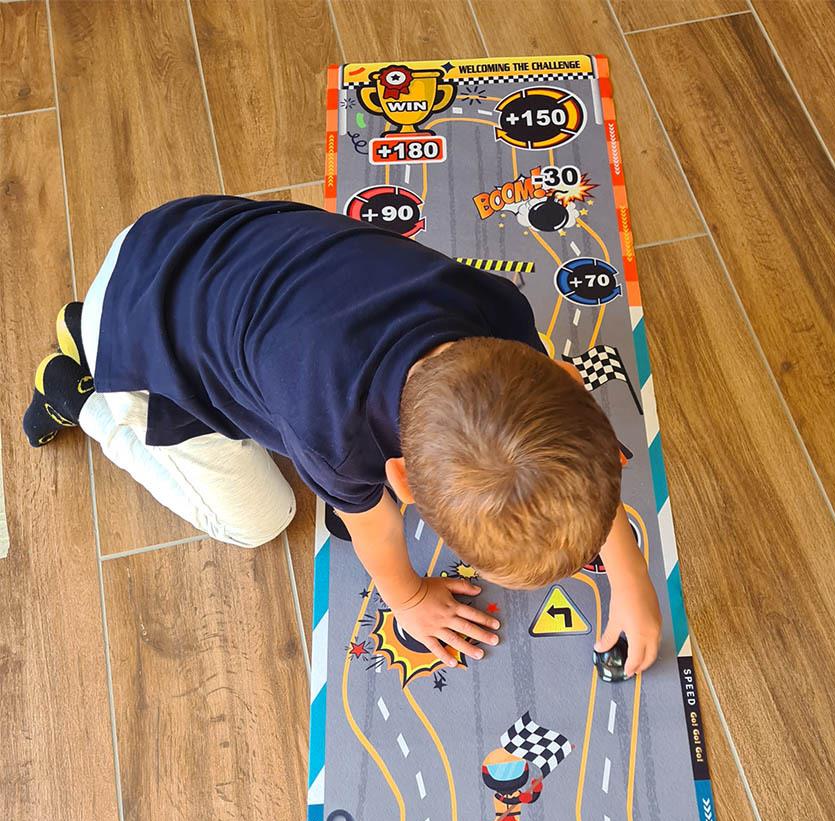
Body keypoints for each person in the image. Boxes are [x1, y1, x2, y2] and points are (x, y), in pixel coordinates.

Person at [23, 196, 661, 674]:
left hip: (185, 234)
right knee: (260, 520)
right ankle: (80, 393)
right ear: (398, 479)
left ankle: (94, 335)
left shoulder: (497, 311)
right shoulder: (338, 435)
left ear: (563, 374)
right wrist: (409, 599)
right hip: (141, 346)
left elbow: (565, 440)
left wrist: (628, 570)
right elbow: (373, 529)